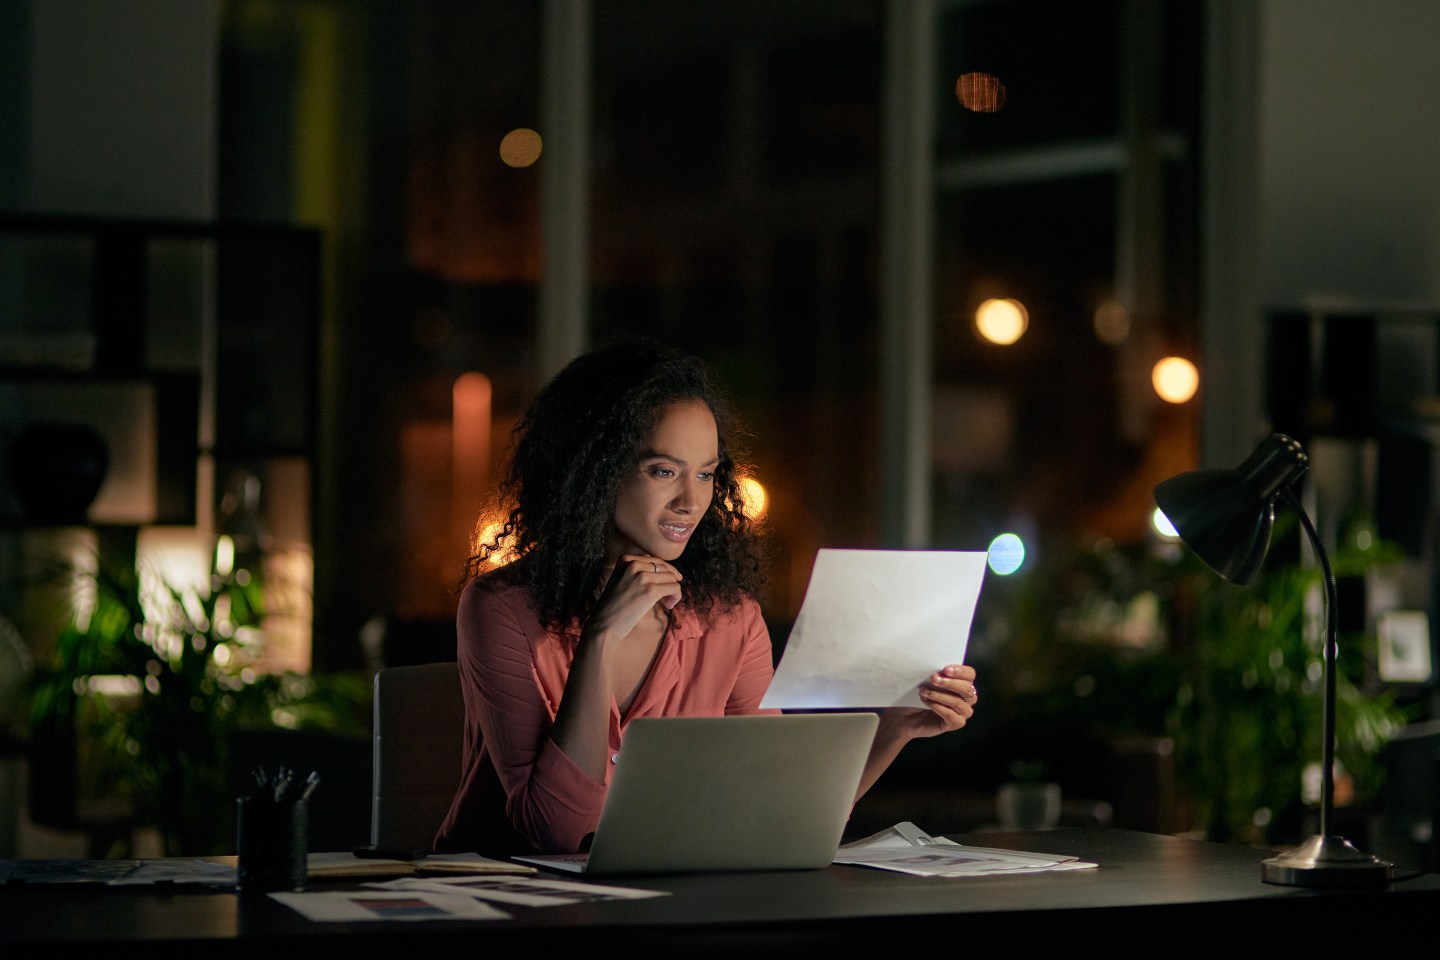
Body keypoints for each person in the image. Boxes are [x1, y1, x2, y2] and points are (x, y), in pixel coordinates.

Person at [433, 340, 979, 855]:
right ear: (593, 472)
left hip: (672, 903)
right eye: (663, 470)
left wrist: (895, 727)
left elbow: (779, 810)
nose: (690, 501)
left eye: (706, 475)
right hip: (513, 911)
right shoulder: (499, 607)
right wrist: (599, 639)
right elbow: (559, 832)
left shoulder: (729, 620)